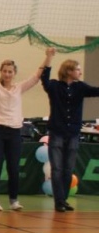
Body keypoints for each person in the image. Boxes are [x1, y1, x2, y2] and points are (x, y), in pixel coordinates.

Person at [0, 50, 53, 211]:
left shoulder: (19, 88)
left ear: (14, 73)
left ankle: (14, 201)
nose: (7, 74)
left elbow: (37, 76)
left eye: (10, 72)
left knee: (13, 168)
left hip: (14, 132)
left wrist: (48, 57)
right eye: (5, 71)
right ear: (1, 72)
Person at [41, 53, 99, 213]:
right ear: (68, 71)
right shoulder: (54, 86)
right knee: (57, 168)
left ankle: (63, 199)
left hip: (73, 132)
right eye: (77, 69)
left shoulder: (80, 87)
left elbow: (96, 91)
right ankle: (59, 201)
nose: (80, 72)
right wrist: (49, 58)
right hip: (57, 132)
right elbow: (44, 78)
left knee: (68, 168)